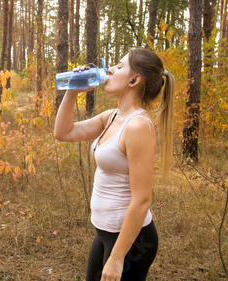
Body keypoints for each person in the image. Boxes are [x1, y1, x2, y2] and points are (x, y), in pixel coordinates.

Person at [54, 47, 175, 281]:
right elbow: (63, 132)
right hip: (105, 232)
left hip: (131, 241)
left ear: (134, 80)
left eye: (119, 66)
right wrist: (72, 91)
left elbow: (142, 200)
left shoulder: (137, 126)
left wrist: (118, 257)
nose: (109, 69)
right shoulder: (111, 117)